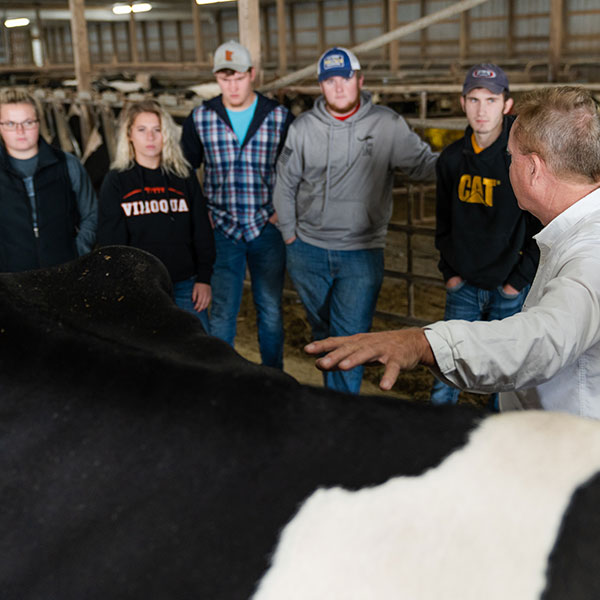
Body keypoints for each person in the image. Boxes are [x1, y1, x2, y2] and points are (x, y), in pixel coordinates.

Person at [305, 86, 600, 419]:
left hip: (578, 447)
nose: (507, 166)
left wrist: (424, 343)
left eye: (510, 157)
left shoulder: (591, 253)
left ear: (533, 168)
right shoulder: (575, 229)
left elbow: (544, 341)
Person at [273, 46, 438, 394]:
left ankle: (340, 413)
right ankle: (337, 407)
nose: (338, 87)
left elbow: (423, 166)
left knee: (349, 337)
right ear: (321, 87)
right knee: (322, 333)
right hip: (308, 251)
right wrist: (289, 234)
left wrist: (471, 155)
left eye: (344, 78)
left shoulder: (387, 124)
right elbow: (284, 182)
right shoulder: (304, 128)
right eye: (329, 80)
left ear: (359, 80)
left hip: (360, 252)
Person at [431, 64, 541, 407]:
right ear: (463, 103)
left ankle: (498, 439)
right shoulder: (450, 160)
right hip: (463, 284)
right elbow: (443, 222)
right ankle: (434, 434)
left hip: (507, 287)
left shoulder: (522, 161)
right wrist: (450, 273)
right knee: (447, 364)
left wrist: (518, 280)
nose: (482, 110)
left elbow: (539, 226)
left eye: (491, 100)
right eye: (474, 99)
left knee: (505, 375)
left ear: (507, 105)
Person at [181, 40, 293, 369]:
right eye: (224, 78)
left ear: (252, 75)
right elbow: (186, 173)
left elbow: (294, 169)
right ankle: (223, 378)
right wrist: (201, 215)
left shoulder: (278, 116)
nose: (232, 85)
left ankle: (273, 377)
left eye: (239, 77)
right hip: (222, 228)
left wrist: (282, 211)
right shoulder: (201, 117)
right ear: (217, 78)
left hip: (266, 227)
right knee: (222, 311)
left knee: (270, 308)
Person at [98, 100, 215, 330]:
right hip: (140, 285)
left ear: (167, 134)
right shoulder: (117, 180)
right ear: (130, 135)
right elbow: (111, 240)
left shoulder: (183, 176)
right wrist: (122, 285)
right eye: (142, 130)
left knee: (199, 348)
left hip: (185, 283)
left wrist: (204, 278)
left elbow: (201, 228)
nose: (150, 137)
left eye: (157, 130)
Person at [0, 88, 97, 272]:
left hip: (63, 275)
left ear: (39, 122)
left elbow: (91, 214)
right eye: (10, 123)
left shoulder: (67, 164)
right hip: (9, 281)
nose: (20, 131)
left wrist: (78, 252)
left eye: (28, 122)